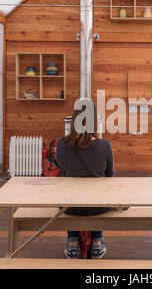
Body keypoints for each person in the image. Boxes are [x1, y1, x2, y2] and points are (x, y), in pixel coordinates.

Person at [56, 104, 115, 259]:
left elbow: (63, 171)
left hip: (69, 208)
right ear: (95, 122)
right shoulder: (104, 145)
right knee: (100, 195)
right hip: (97, 208)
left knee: (70, 194)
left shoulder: (61, 144)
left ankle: (73, 243)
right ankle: (96, 242)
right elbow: (110, 177)